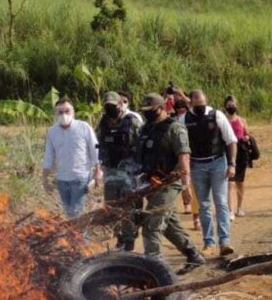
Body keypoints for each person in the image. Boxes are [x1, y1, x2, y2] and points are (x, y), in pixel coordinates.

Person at [136, 93, 205, 269]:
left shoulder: (175, 128)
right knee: (168, 224)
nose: (147, 114)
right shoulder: (146, 129)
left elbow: (184, 157)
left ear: (161, 108)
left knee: (152, 223)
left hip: (169, 182)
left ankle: (155, 270)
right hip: (151, 183)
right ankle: (193, 255)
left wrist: (185, 186)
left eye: (150, 110)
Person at [181, 90, 238, 256]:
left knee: (220, 202)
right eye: (197, 105)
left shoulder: (217, 115)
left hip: (218, 163)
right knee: (204, 205)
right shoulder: (183, 119)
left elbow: (231, 140)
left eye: (203, 105)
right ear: (190, 103)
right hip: (197, 165)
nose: (200, 108)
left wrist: (232, 164)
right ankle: (209, 243)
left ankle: (224, 241)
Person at [96, 91, 143, 250]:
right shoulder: (103, 123)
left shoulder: (132, 122)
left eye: (113, 105)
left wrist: (139, 168)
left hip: (129, 171)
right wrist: (100, 164)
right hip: (110, 170)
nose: (110, 108)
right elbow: (100, 144)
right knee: (112, 206)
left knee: (128, 206)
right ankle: (119, 237)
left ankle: (129, 239)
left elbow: (141, 145)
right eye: (107, 106)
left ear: (120, 105)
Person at [42, 97, 101, 219]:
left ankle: (80, 238)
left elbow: (95, 148)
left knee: (76, 213)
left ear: (73, 112)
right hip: (62, 179)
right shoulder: (52, 132)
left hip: (80, 178)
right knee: (69, 213)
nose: (64, 114)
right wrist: (44, 179)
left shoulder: (84, 127)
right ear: (56, 113)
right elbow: (49, 155)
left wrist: (97, 171)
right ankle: (76, 237)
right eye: (60, 112)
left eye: (67, 111)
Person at [224, 95, 253, 219]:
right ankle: (230, 210)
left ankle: (239, 208)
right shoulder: (223, 120)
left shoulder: (242, 120)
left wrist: (247, 137)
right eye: (229, 105)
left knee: (240, 182)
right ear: (225, 106)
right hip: (227, 152)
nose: (232, 107)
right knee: (229, 183)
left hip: (241, 153)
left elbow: (248, 134)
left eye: (233, 105)